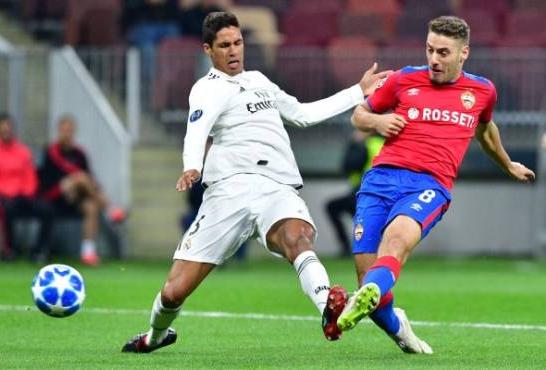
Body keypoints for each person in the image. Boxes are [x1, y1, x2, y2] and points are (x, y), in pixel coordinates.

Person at [121, 11, 390, 353]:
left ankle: (328, 310)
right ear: (208, 50)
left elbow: (303, 115)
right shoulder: (206, 89)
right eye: (224, 46)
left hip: (275, 185)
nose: (233, 51)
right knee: (174, 291)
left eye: (237, 43)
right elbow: (197, 131)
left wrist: (357, 92)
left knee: (299, 237)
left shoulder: (261, 81)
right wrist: (192, 165)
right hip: (229, 192)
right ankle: (153, 338)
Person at [333, 16, 536, 354]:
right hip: (380, 181)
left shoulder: (482, 90)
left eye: (443, 52)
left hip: (429, 186)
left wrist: (508, 163)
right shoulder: (403, 80)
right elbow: (359, 115)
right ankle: (401, 331)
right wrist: (378, 120)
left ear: (463, 53)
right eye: (430, 50)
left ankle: (361, 304)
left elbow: (485, 132)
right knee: (371, 288)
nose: (434, 59)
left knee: (396, 240)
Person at [38, 115, 107, 266]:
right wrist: (68, 183)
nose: (67, 134)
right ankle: (108, 206)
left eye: (70, 130)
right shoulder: (51, 152)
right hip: (54, 196)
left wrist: (76, 183)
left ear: (74, 132)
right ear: (58, 131)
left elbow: (90, 177)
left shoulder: (79, 154)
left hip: (76, 198)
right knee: (79, 179)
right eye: (64, 130)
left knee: (91, 206)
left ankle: (88, 252)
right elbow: (45, 180)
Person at [0, 113, 54, 262]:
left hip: (22, 195)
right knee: (5, 209)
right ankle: (8, 250)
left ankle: (39, 251)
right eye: (3, 129)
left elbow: (30, 175)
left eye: (9, 128)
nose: (7, 132)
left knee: (47, 209)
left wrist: (27, 191)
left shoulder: (22, 150)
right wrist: (7, 191)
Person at [325, 131, 384, 257]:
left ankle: (347, 248)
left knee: (334, 207)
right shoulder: (383, 143)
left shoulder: (365, 145)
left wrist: (354, 144)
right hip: (382, 193)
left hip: (366, 192)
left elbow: (349, 165)